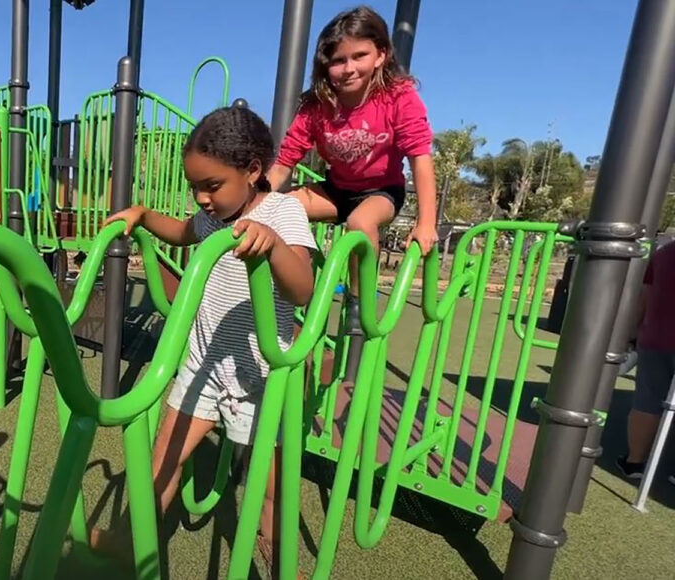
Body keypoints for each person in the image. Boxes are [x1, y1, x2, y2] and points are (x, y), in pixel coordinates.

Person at [90, 105, 316, 575]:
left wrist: (271, 243)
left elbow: (302, 289)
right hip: (204, 366)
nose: (202, 197)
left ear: (252, 171)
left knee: (271, 483)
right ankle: (132, 542)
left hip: (260, 375)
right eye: (195, 186)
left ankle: (277, 555)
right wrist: (145, 214)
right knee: (162, 464)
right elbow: (180, 232)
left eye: (212, 185)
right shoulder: (211, 218)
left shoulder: (282, 211)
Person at [266, 5, 438, 332]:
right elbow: (284, 163)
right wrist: (255, 201)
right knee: (280, 206)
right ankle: (298, 275)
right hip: (336, 190)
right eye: (338, 61)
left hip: (381, 191)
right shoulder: (318, 106)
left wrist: (426, 222)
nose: (348, 68)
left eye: (359, 56)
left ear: (380, 55)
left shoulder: (398, 97)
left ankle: (359, 301)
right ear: (325, 65)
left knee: (360, 222)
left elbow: (420, 158)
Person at [617, 239, 675, 481]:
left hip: (656, 338)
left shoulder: (665, 253)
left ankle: (635, 462)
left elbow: (644, 297)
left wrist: (631, 334)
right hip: (656, 338)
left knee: (648, 400)